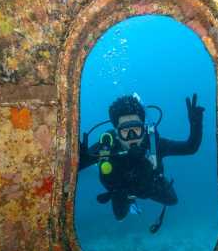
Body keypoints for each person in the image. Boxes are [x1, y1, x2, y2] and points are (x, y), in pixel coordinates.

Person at [78, 93, 204, 230]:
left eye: (136, 129)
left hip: (149, 187)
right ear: (117, 132)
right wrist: (80, 159)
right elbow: (76, 167)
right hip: (120, 191)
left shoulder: (154, 144)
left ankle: (136, 196)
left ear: (144, 129)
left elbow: (190, 148)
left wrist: (196, 125)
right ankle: (130, 199)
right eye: (125, 131)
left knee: (173, 200)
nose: (132, 137)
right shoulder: (107, 146)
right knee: (120, 216)